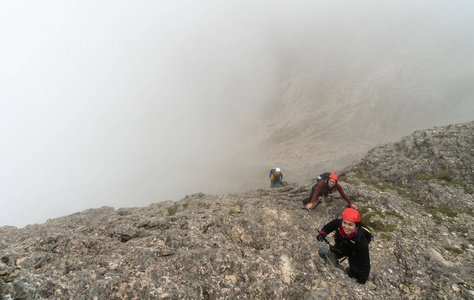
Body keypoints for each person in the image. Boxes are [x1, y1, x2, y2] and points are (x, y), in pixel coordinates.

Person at [316, 208, 371, 284]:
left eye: (350, 224)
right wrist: (322, 234)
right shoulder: (338, 223)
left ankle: (351, 271)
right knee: (330, 257)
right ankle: (336, 264)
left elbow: (365, 263)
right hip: (341, 246)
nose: (346, 227)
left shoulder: (361, 240)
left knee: (356, 271)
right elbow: (328, 227)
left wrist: (361, 283)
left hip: (354, 251)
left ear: (357, 226)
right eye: (344, 223)